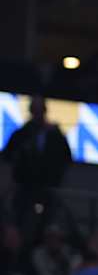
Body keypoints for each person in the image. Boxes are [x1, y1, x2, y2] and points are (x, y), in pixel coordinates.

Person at [3, 97, 71, 238]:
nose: (38, 115)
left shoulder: (55, 136)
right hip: (23, 187)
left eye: (40, 111)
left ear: (45, 111)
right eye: (35, 111)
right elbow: (7, 155)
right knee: (20, 222)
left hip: (47, 188)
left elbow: (66, 158)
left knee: (44, 225)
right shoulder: (21, 134)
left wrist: (56, 178)